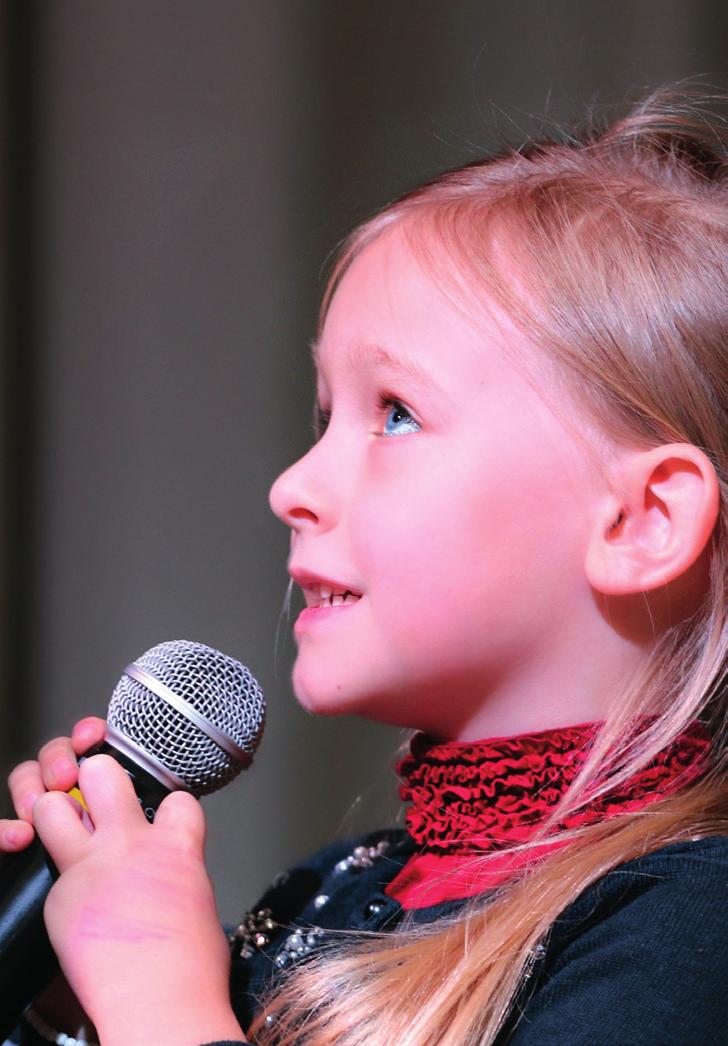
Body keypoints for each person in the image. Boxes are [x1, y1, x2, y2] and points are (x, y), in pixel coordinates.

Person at [2, 87, 728, 1046]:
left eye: (395, 413)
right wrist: (74, 1003)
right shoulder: (337, 890)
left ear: (641, 520)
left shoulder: (685, 930)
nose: (292, 484)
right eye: (322, 416)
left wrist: (156, 995)